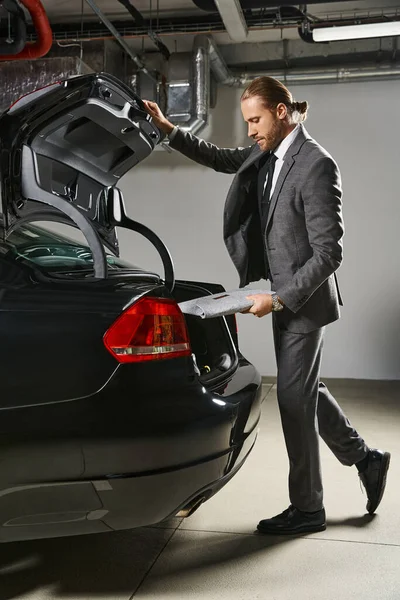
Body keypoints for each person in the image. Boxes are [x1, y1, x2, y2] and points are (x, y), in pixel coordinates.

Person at [143, 77, 390, 535]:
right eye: (247, 122)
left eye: (255, 120)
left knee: (294, 400)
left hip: (303, 301)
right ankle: (366, 458)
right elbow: (220, 158)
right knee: (306, 390)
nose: (250, 130)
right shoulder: (265, 151)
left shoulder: (316, 164)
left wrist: (277, 298)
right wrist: (168, 130)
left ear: (281, 112)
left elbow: (329, 253)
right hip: (281, 297)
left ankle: (308, 509)